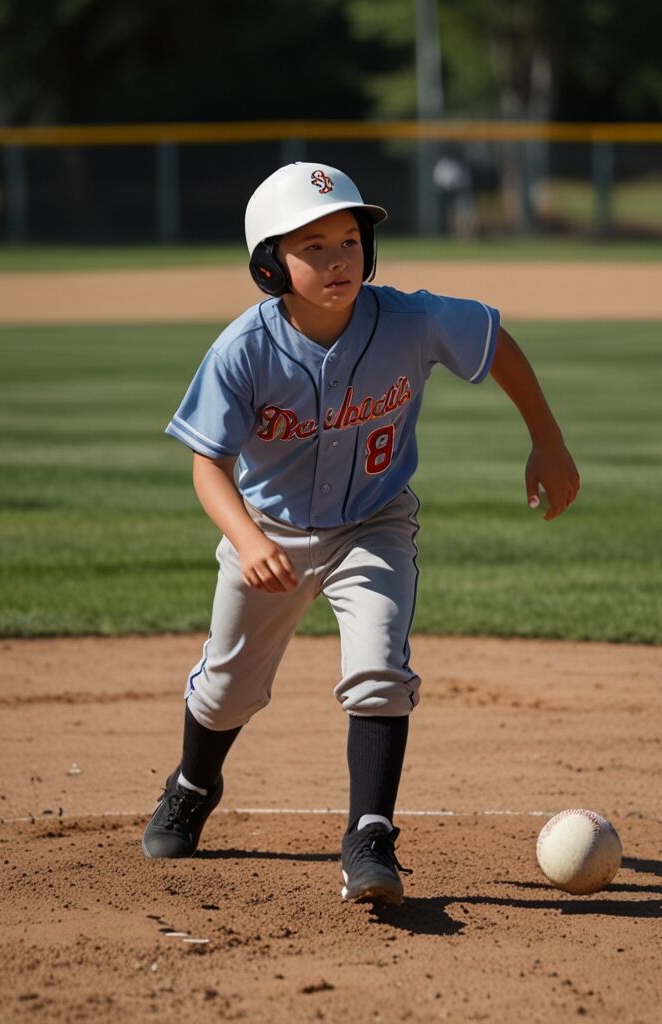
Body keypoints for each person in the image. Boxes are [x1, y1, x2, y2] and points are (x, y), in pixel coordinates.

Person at [142, 162, 579, 905]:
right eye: (312, 247)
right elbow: (207, 465)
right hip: (271, 531)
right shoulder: (243, 350)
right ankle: (192, 783)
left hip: (373, 524)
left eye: (349, 240)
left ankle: (370, 836)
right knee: (225, 690)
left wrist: (548, 440)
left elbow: (494, 339)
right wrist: (248, 541)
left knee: (379, 667)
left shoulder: (410, 319)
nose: (338, 258)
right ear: (269, 264)